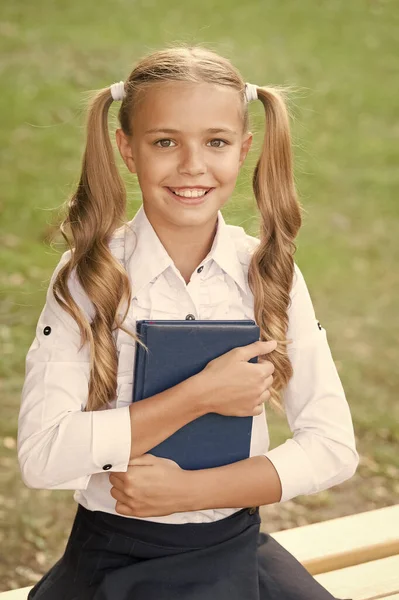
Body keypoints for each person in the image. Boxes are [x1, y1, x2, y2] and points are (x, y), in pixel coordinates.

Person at [17, 44, 358, 600]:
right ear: (127, 149)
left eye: (216, 142)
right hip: (116, 556)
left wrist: (188, 492)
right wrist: (199, 395)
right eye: (165, 142)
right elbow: (42, 455)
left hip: (235, 549)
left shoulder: (269, 273)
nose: (192, 166)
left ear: (244, 149)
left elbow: (333, 447)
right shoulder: (92, 276)